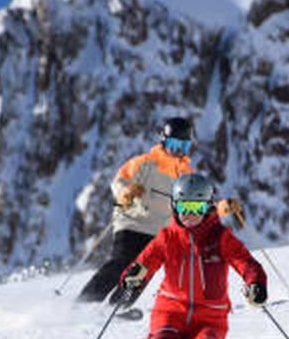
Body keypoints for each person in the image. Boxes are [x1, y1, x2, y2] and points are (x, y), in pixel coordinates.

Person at [91, 173, 267, 339]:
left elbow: (247, 264)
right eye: (184, 207)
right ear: (174, 205)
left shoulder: (221, 237)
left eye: (197, 208)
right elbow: (144, 262)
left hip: (211, 318)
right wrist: (134, 275)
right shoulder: (168, 236)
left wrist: (255, 284)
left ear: (208, 207)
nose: (190, 215)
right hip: (170, 311)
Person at [77, 118, 244, 305]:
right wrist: (126, 193)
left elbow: (197, 207)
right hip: (133, 223)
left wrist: (223, 207)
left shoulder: (186, 176)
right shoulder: (144, 163)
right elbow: (119, 180)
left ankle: (118, 307)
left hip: (159, 233)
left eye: (183, 146)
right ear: (163, 141)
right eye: (173, 144)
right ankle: (85, 302)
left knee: (143, 270)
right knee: (122, 262)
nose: (177, 151)